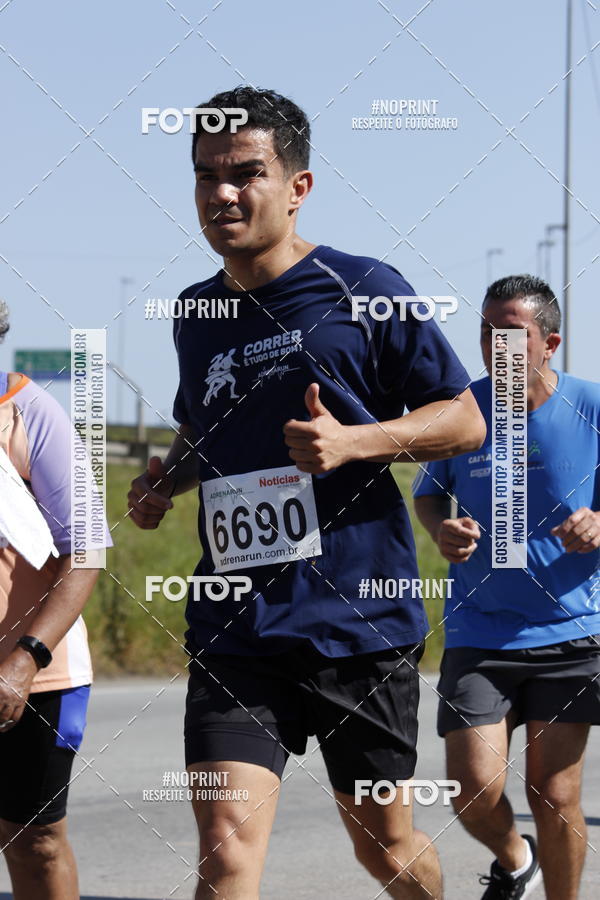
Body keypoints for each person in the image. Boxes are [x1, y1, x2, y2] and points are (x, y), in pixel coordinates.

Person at [128, 86, 486, 900]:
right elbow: (201, 429)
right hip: (236, 623)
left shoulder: (364, 287)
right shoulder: (195, 313)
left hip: (359, 621)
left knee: (384, 844)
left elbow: (466, 419)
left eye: (246, 173)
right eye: (205, 174)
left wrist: (357, 442)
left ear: (298, 186)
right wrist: (166, 483)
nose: (222, 192)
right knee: (224, 845)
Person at [413, 275, 600, 900]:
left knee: (555, 792)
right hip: (480, 628)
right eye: (487, 331)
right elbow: (431, 496)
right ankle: (515, 857)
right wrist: (444, 531)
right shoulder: (462, 408)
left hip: (572, 630)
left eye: (511, 333)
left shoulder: (592, 408)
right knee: (472, 788)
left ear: (550, 343)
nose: (496, 345)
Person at [0, 299, 109, 900]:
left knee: (33, 840)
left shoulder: (31, 413)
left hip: (34, 676)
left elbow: (87, 550)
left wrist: (25, 659)